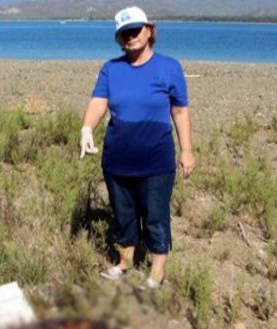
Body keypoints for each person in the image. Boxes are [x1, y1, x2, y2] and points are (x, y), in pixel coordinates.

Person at [80, 6, 195, 289]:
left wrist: (187, 150)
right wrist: (86, 127)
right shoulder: (111, 69)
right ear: (119, 39)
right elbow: (99, 102)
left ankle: (157, 271)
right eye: (124, 34)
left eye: (135, 30)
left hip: (157, 161)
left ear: (149, 30)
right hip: (117, 160)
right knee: (123, 214)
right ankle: (125, 262)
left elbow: (180, 112)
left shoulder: (170, 67)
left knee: (155, 216)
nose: (130, 37)